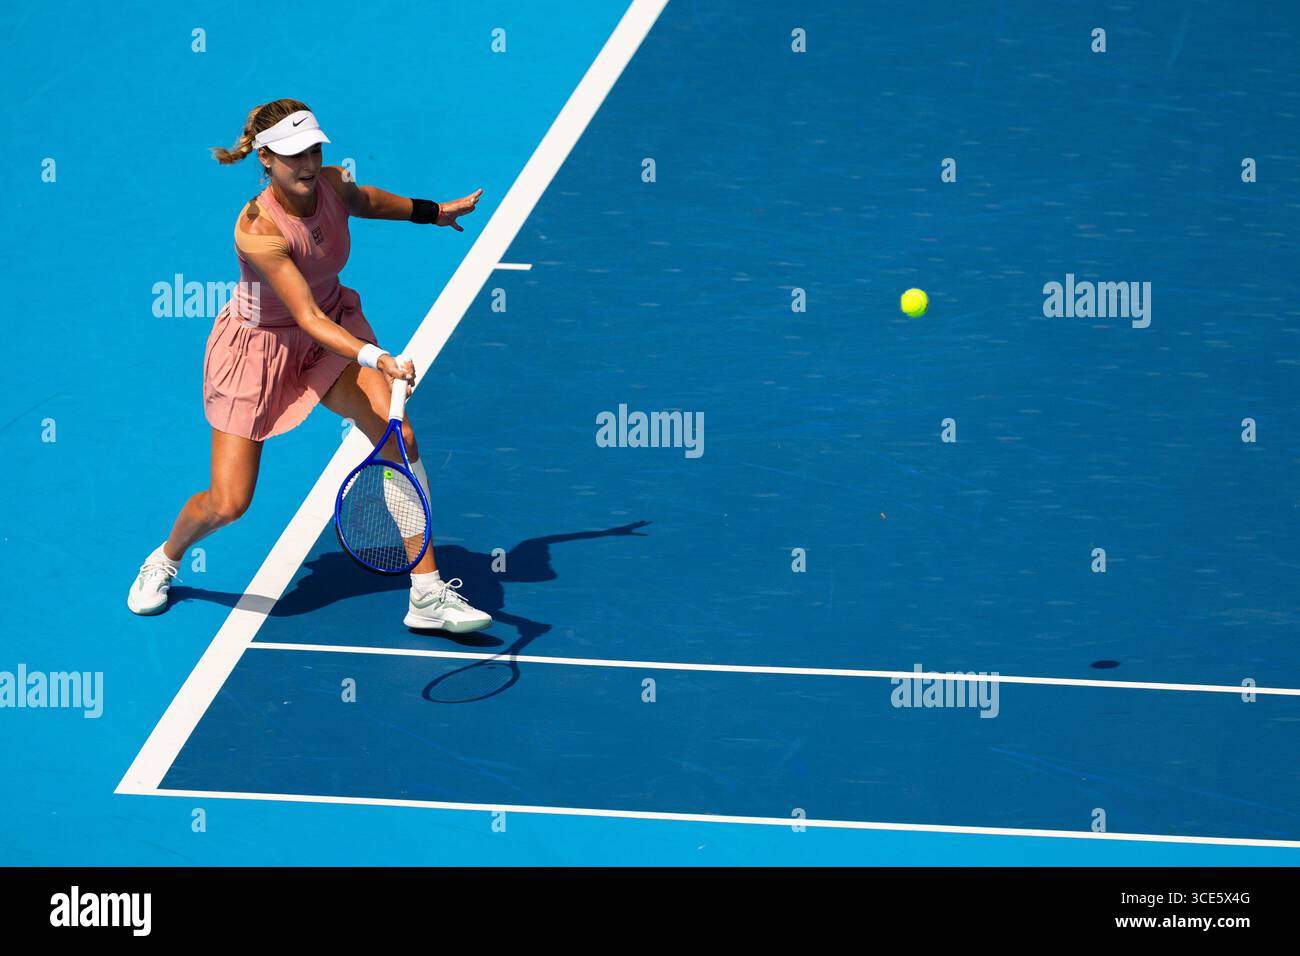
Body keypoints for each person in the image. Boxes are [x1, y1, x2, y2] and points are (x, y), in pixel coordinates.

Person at [127, 98, 491, 633]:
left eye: (313, 150)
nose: (307, 163)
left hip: (326, 338)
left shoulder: (331, 183)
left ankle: (428, 593)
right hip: (260, 351)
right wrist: (376, 355)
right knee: (229, 503)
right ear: (265, 160)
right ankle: (164, 557)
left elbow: (364, 200)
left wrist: (432, 212)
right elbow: (305, 314)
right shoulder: (256, 228)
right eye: (293, 154)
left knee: (400, 439)